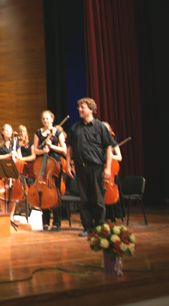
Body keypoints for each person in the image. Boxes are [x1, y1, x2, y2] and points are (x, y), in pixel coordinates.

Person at [66, 98, 117, 237]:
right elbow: (69, 147)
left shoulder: (100, 127)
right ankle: (87, 227)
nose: (79, 109)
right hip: (80, 168)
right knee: (84, 199)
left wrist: (108, 168)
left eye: (82, 107)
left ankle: (100, 227)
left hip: (96, 167)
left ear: (91, 109)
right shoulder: (75, 127)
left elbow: (108, 147)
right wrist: (68, 164)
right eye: (79, 107)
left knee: (98, 199)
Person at [32, 111, 66, 231]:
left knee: (56, 192)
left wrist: (51, 147)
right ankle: (45, 222)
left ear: (52, 119)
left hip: (55, 164)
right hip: (43, 164)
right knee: (43, 192)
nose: (46, 121)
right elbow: (35, 150)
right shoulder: (38, 133)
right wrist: (43, 151)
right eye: (43, 119)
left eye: (47, 119)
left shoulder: (58, 132)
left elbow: (64, 149)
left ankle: (57, 222)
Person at [0, 124, 23, 219]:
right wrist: (8, 155)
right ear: (2, 132)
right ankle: (4, 213)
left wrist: (16, 156)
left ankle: (11, 215)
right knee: (1, 192)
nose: (8, 132)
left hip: (13, 170)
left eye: (10, 130)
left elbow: (20, 157)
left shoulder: (15, 143)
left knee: (13, 193)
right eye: (6, 131)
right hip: (3, 169)